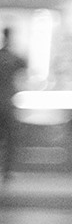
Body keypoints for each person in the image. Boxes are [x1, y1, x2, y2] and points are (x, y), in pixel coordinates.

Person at [0, 27, 24, 183]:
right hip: (7, 102)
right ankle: (7, 170)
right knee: (9, 137)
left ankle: (7, 170)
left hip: (5, 101)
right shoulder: (14, 58)